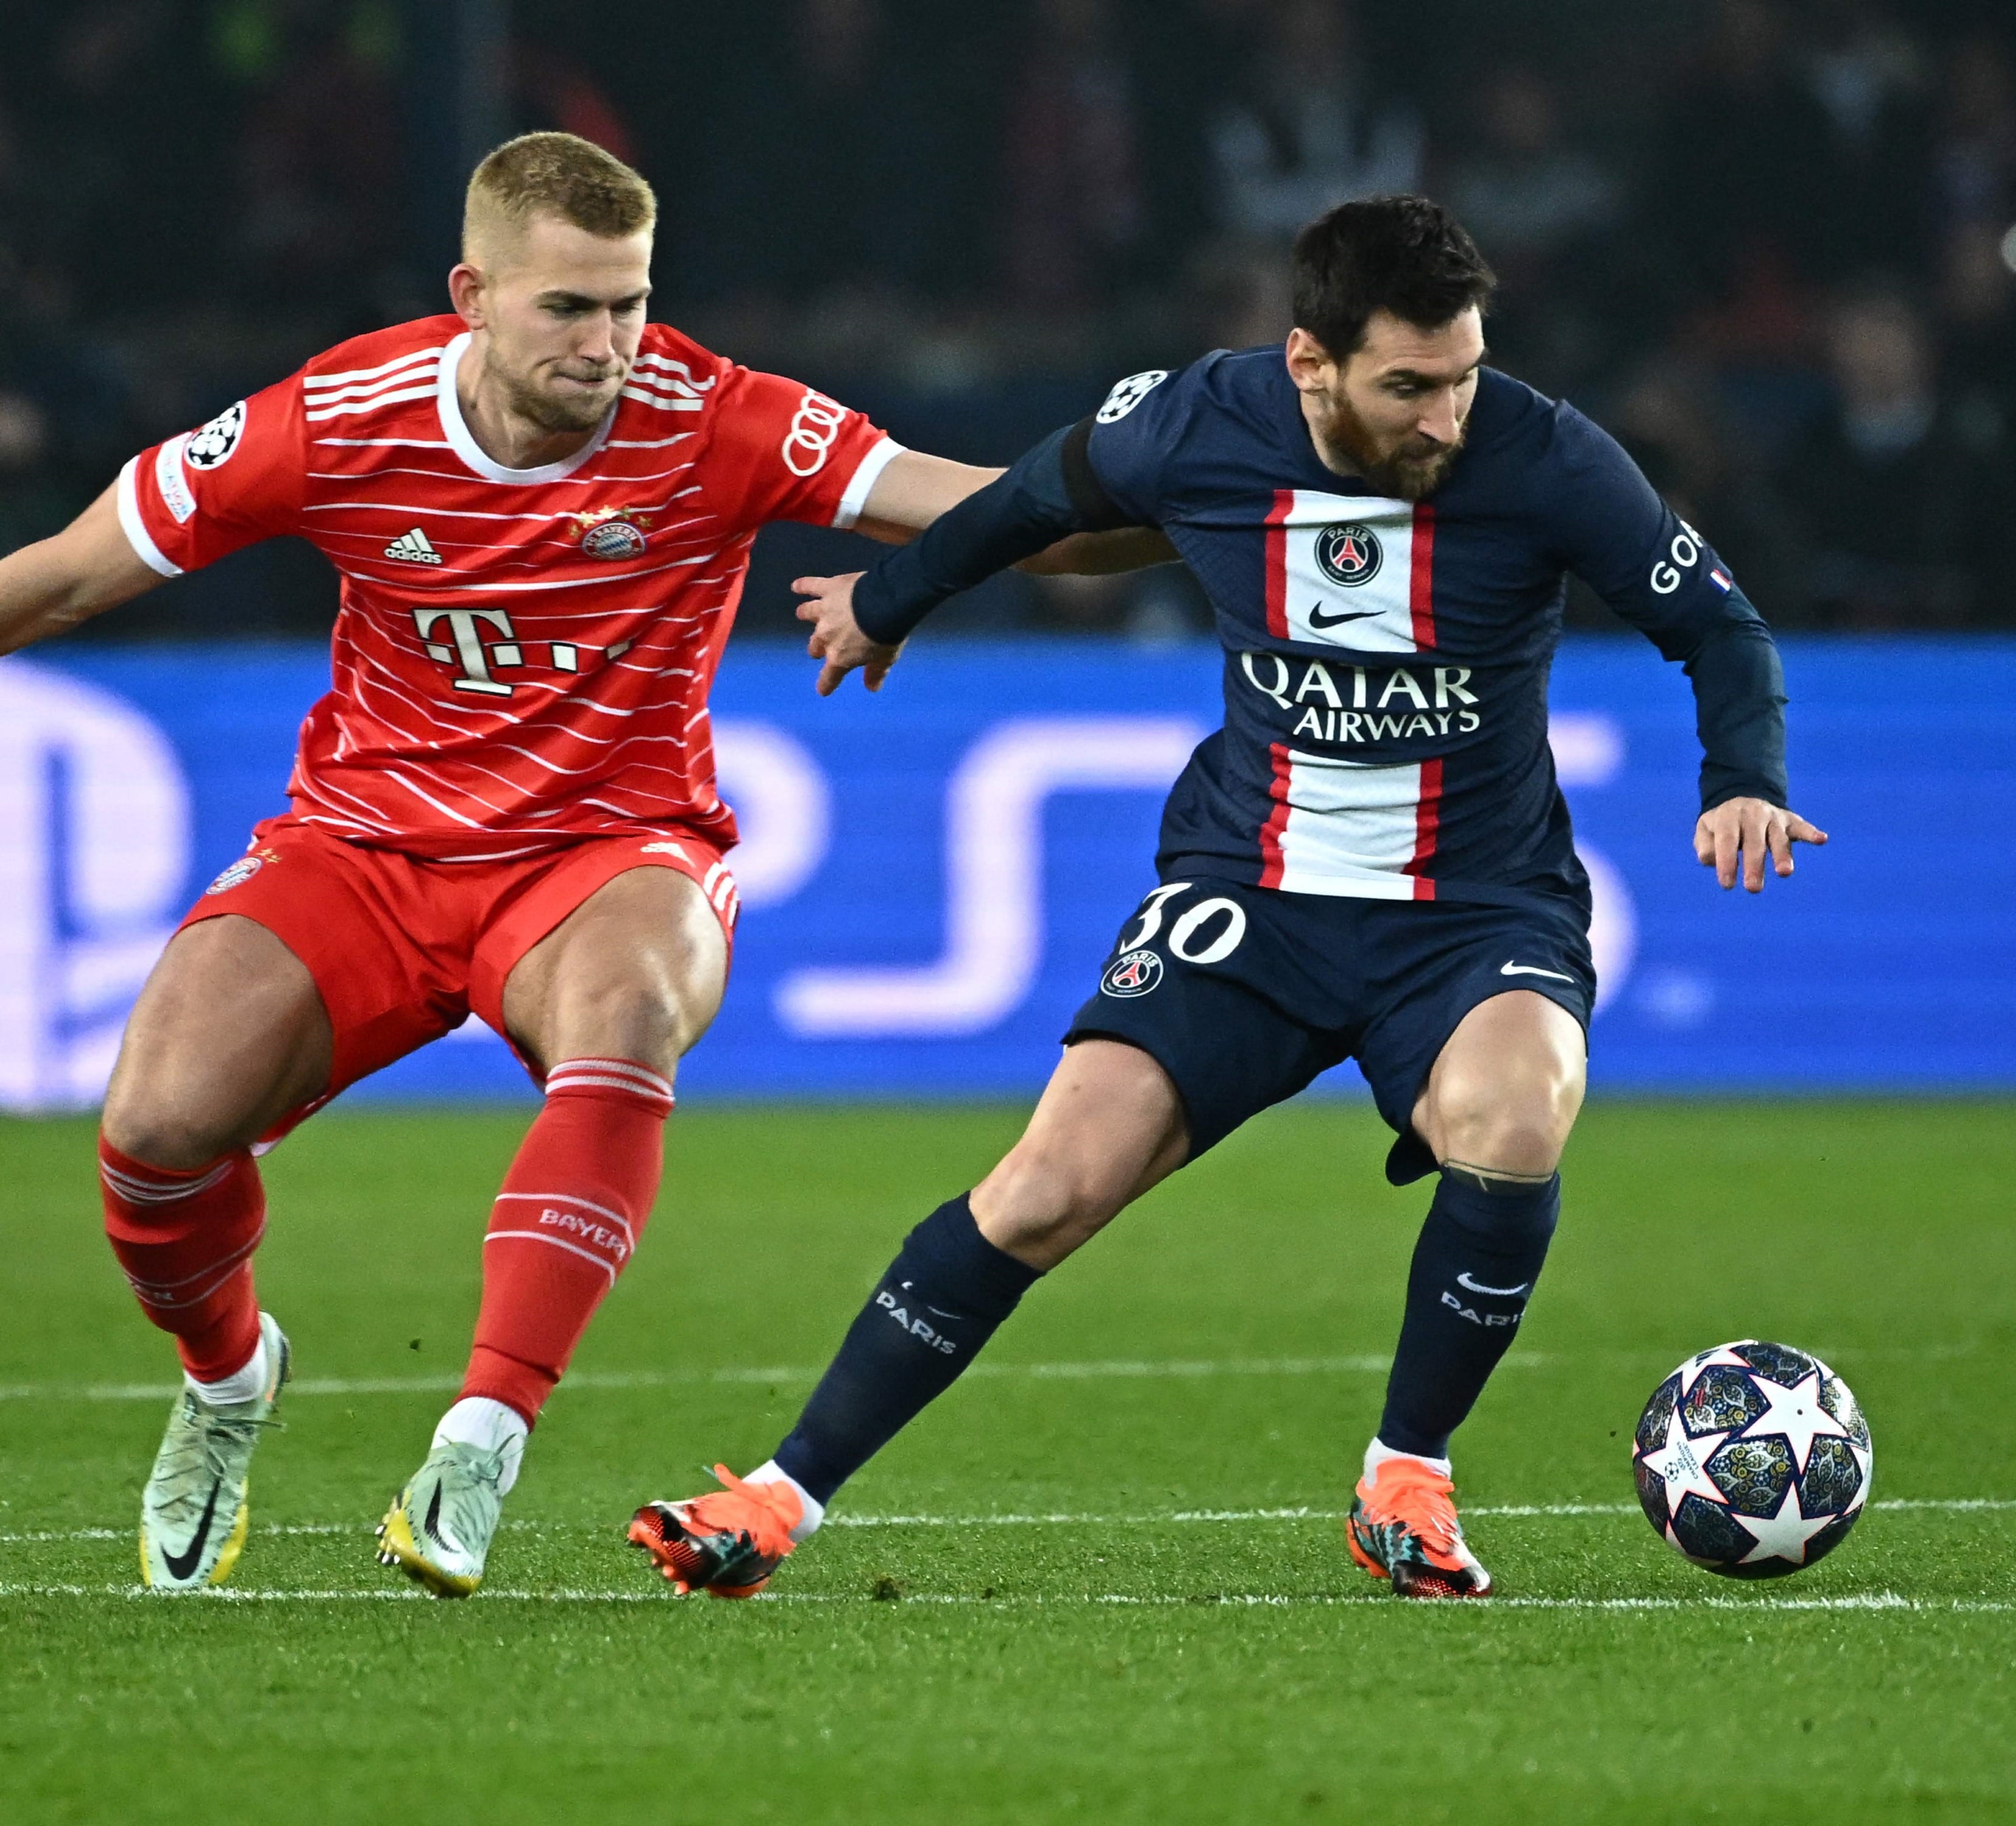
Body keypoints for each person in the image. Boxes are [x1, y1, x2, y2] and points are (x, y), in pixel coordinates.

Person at [0, 132, 1149, 1598]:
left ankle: (482, 1435)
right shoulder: (333, 419)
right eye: (569, 305)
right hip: (365, 848)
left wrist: (1204, 497)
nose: (610, 339)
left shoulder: (723, 417)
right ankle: (230, 1380)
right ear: (473, 295)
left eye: (628, 300)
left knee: (625, 1015)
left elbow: (1005, 517)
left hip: (611, 848)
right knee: (158, 1128)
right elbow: (63, 576)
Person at [629, 196, 1826, 1601]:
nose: (1447, 416)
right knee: (1043, 1191)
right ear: (1309, 361)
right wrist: (887, 602)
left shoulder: (1550, 455)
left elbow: (1719, 626)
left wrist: (1740, 776)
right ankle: (776, 1502)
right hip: (1251, 895)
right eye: (1409, 386)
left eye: (1464, 376)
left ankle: (1408, 1480)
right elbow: (1030, 497)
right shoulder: (1197, 422)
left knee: (1514, 1115)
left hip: (1474, 909)